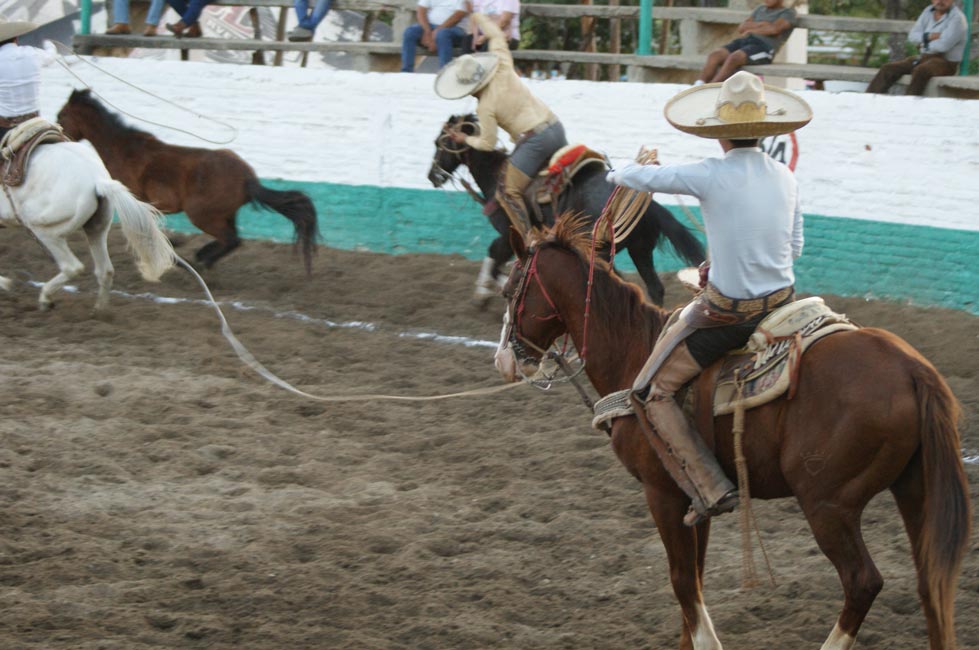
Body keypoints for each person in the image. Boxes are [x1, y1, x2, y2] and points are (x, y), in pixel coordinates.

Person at [606, 71, 812, 526]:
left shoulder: (710, 174)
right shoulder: (785, 176)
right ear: (764, 130)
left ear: (718, 134)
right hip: (783, 303)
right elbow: (794, 247)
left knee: (649, 391)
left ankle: (709, 487)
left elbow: (647, 177)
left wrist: (615, 169)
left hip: (729, 315)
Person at [435, 13, 566, 238]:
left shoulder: (485, 106)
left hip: (534, 141)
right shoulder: (503, 64)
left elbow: (487, 143)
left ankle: (530, 241)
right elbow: (496, 34)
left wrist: (464, 139)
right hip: (556, 129)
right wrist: (477, 14)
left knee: (507, 191)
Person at [865, 0, 967, 96]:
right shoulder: (928, 11)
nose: (940, 1)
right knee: (888, 68)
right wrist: (929, 36)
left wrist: (923, 45)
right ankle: (868, 101)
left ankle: (909, 106)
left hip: (946, 63)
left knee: (921, 71)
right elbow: (913, 36)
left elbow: (943, 46)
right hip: (924, 57)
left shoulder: (957, 18)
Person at [696, 0, 797, 84]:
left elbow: (774, 30)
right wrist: (762, 25)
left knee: (734, 57)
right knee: (715, 55)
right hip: (746, 41)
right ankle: (698, 85)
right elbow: (742, 27)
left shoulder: (788, 12)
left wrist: (751, 28)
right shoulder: (760, 9)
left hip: (764, 48)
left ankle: (712, 87)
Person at [0, 20, 55, 143]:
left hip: (5, 126)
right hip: (35, 121)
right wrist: (49, 44)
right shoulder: (32, 53)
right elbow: (51, 56)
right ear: (15, 37)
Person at [401, 0, 469, 72]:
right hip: (430, 27)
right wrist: (427, 31)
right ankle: (406, 72)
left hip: (455, 29)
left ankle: (444, 72)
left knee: (443, 34)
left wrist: (435, 33)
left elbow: (458, 16)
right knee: (410, 32)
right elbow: (421, 11)